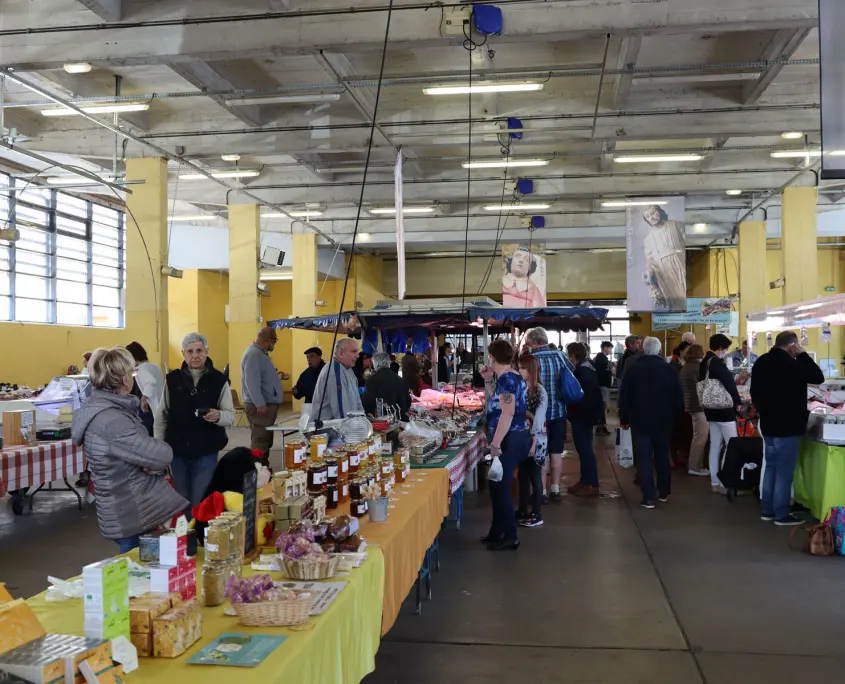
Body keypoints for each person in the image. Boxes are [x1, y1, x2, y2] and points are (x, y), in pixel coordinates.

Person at [73, 347, 188, 552]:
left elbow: (139, 454)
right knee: (138, 568)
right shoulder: (112, 421)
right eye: (132, 373)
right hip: (132, 511)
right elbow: (160, 454)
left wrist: (152, 462)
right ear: (125, 379)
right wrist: (156, 460)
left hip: (125, 506)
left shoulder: (104, 411)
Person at [155, 332, 234, 512]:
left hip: (207, 451)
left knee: (200, 501)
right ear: (183, 354)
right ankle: (185, 530)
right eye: (190, 351)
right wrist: (159, 449)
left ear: (207, 351)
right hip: (177, 451)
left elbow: (230, 416)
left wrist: (218, 416)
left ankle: (199, 530)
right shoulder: (172, 380)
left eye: (199, 350)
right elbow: (161, 416)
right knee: (181, 501)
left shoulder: (219, 380)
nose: (195, 355)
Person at [751, 331, 824, 526]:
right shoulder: (793, 364)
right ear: (792, 346)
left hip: (768, 423)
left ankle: (767, 510)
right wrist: (803, 355)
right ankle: (781, 514)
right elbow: (818, 377)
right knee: (784, 472)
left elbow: (754, 391)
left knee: (771, 468)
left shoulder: (761, 362)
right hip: (789, 426)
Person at [618, 337, 684, 508]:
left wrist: (624, 418)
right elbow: (678, 395)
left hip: (640, 420)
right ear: (660, 351)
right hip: (664, 420)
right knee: (662, 455)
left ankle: (648, 497)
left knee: (644, 458)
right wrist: (676, 417)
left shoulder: (633, 369)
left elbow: (624, 396)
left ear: (643, 349)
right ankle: (664, 491)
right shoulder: (669, 369)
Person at [480, 339, 530, 550]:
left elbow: (507, 413)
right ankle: (496, 531)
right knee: (496, 485)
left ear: (492, 358)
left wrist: (496, 443)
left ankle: (511, 536)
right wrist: (488, 380)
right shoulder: (509, 377)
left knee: (500, 489)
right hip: (516, 437)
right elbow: (499, 402)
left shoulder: (508, 380)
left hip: (511, 439)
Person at [523, 327, 573, 503]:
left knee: (540, 454)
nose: (527, 345)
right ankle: (556, 489)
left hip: (536, 415)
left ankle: (541, 492)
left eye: (528, 343)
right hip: (558, 411)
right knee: (556, 452)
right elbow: (571, 374)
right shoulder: (559, 355)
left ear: (534, 342)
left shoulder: (530, 360)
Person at [699, 333, 743, 494]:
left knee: (715, 445)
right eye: (725, 349)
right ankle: (726, 482)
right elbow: (729, 382)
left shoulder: (704, 362)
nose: (725, 352)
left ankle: (715, 481)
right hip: (724, 410)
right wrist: (737, 401)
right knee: (732, 445)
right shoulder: (716, 362)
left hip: (710, 409)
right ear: (719, 348)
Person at [565, 342, 604, 496]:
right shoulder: (587, 368)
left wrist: (576, 410)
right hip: (585, 415)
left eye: (568, 355)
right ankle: (585, 481)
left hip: (582, 416)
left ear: (572, 356)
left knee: (585, 449)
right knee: (584, 449)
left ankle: (591, 483)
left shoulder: (582, 371)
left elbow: (587, 396)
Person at [241, 327, 284, 460]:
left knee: (265, 440)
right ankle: (257, 469)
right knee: (260, 441)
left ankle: (263, 468)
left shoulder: (259, 353)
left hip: (265, 405)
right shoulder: (254, 354)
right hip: (259, 407)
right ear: (268, 340)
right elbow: (251, 382)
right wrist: (260, 404)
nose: (275, 344)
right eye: (275, 341)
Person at [516, 352, 548, 528]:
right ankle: (522, 509)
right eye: (519, 368)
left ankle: (536, 513)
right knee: (523, 476)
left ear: (531, 369)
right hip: (524, 438)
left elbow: (539, 420)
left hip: (536, 440)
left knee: (535, 477)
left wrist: (534, 441)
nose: (520, 371)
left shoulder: (540, 391)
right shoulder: (523, 388)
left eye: (523, 368)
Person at [640, 204, 686, 312]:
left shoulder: (676, 225)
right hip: (665, 271)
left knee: (686, 291)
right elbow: (650, 259)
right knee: (675, 299)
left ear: (660, 212)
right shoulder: (648, 239)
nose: (651, 217)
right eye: (647, 216)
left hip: (680, 263)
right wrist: (649, 270)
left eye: (653, 213)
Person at [310, 338, 365, 422]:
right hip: (328, 428)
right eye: (354, 352)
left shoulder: (348, 370)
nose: (357, 356)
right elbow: (342, 413)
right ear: (341, 353)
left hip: (347, 425)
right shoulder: (335, 372)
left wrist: (363, 420)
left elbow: (357, 402)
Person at [680, 344, 710, 477]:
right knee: (700, 438)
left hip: (690, 404)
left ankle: (697, 465)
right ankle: (694, 467)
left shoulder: (686, 366)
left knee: (698, 436)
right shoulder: (698, 367)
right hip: (699, 406)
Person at [362, 352, 412, 421]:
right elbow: (408, 402)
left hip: (383, 421)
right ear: (389, 363)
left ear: (375, 364)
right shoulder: (400, 379)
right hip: (401, 420)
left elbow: (367, 403)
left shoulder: (371, 380)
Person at [126, 341, 164, 415]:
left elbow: (151, 381)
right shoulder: (154, 366)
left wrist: (144, 398)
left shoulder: (140, 368)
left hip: (147, 407)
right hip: (159, 405)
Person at [594, 341, 613, 436]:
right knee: (604, 406)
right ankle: (601, 426)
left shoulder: (602, 358)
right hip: (602, 385)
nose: (611, 351)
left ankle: (601, 426)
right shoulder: (601, 359)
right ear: (605, 348)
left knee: (604, 406)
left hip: (603, 385)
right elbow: (601, 373)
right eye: (610, 348)